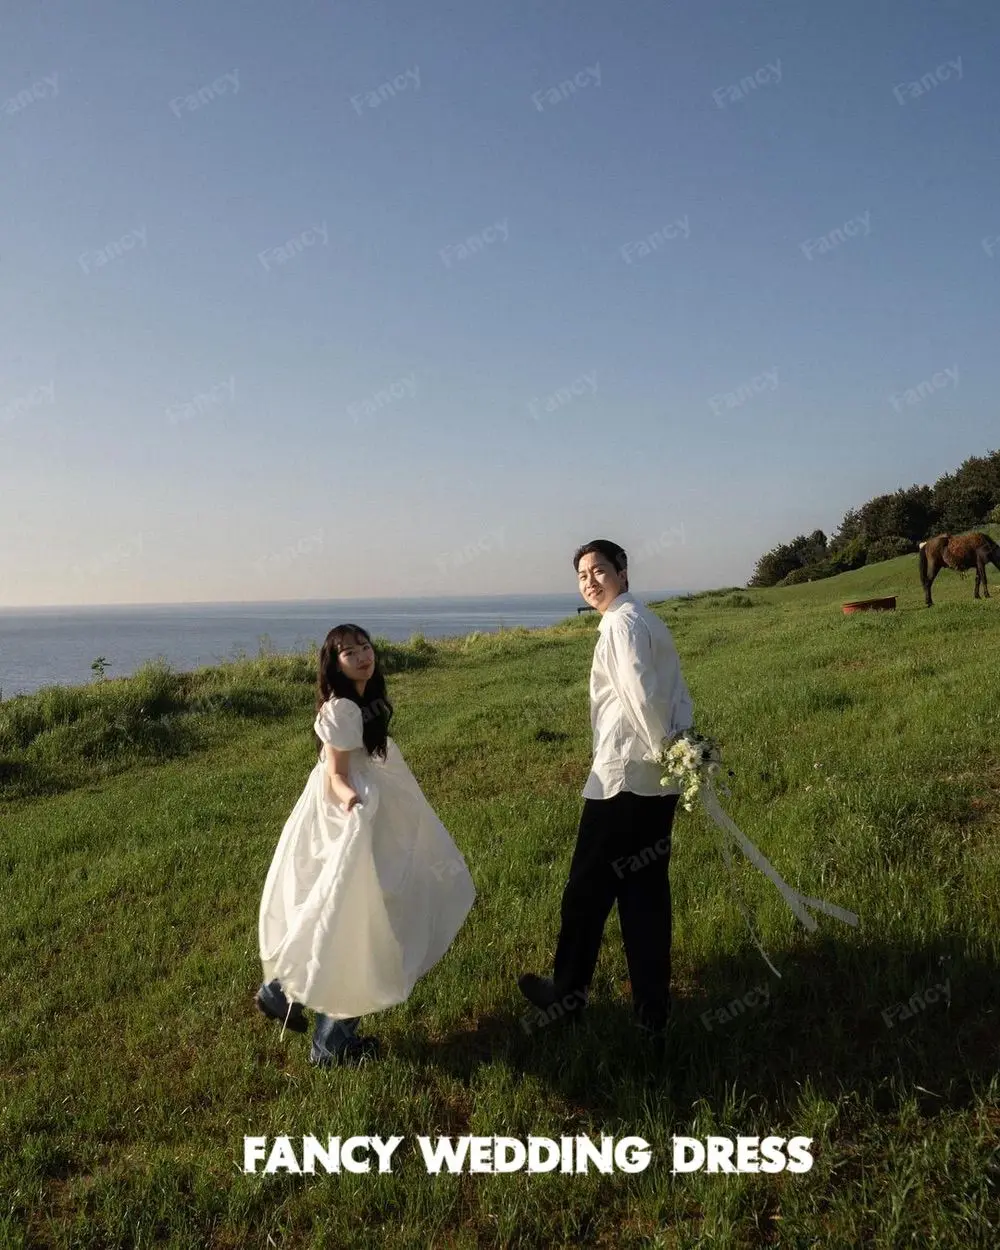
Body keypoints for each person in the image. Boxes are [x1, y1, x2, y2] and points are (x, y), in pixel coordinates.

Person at [257, 624, 476, 1066]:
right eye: (349, 652)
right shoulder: (341, 709)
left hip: (370, 813)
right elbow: (335, 774)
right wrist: (353, 803)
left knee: (348, 911)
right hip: (353, 818)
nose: (362, 656)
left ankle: (287, 993)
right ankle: (328, 1038)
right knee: (361, 917)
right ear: (333, 664)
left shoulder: (361, 704)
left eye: (365, 647)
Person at [518, 539, 693, 1042]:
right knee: (645, 896)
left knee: (585, 896)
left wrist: (665, 748)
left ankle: (566, 997)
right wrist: (680, 752)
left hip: (621, 783)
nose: (590, 581)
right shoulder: (647, 619)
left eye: (599, 570)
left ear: (622, 571)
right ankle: (651, 1012)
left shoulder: (621, 623)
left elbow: (642, 695)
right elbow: (678, 692)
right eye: (581, 575)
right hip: (655, 785)